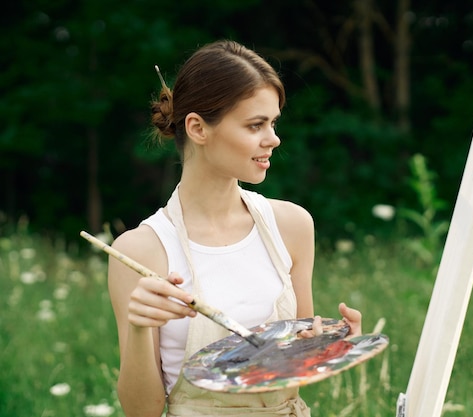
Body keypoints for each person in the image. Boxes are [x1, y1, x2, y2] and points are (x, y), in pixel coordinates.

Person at [107, 40, 363, 417]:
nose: (273, 138)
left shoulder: (291, 226)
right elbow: (140, 411)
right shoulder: (141, 250)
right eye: (255, 125)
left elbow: (292, 366)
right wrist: (141, 326)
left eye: (273, 123)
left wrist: (331, 347)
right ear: (197, 128)